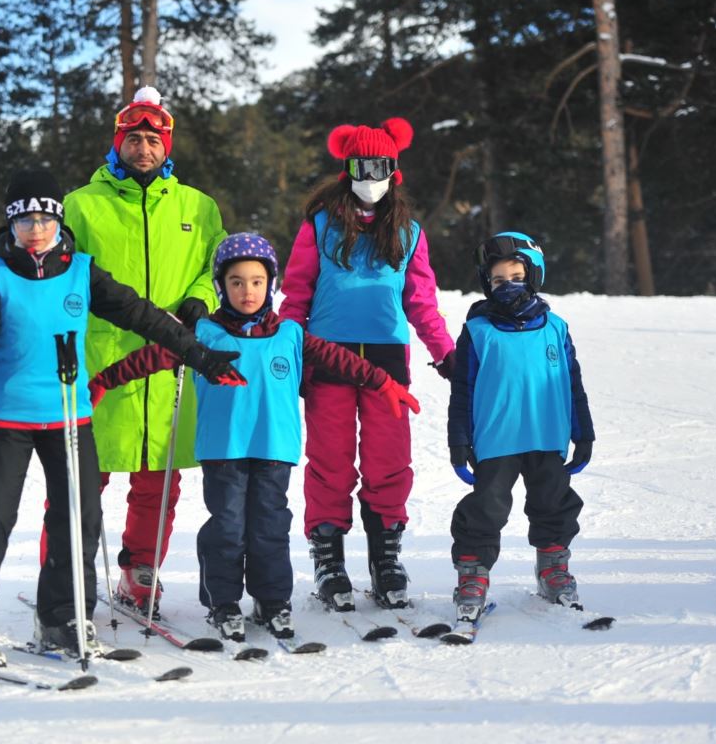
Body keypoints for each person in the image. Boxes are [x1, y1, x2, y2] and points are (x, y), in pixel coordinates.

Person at [0, 169, 242, 666]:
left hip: (69, 417)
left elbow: (143, 315)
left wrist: (199, 355)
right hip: (8, 418)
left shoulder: (82, 270)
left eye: (45, 218)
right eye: (24, 221)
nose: (36, 230)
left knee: (79, 520)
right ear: (10, 225)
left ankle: (64, 618)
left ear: (59, 221)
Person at [89, 233, 421, 641]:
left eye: (257, 282)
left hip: (274, 448)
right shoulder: (204, 336)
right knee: (227, 526)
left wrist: (382, 382)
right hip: (224, 449)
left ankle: (273, 600)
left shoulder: (290, 334)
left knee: (270, 526)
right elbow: (152, 355)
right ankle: (223, 602)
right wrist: (106, 379)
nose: (248, 291)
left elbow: (341, 360)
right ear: (220, 286)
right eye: (237, 282)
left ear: (272, 285)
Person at [280, 117, 456, 612]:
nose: (370, 175)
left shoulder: (409, 232)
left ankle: (385, 556)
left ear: (394, 170)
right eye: (362, 165)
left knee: (387, 460)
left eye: (380, 166)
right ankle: (329, 557)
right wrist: (289, 354)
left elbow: (421, 302)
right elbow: (296, 295)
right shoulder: (319, 226)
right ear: (346, 168)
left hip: (385, 363)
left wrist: (446, 353)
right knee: (330, 461)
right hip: (327, 357)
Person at [63, 85, 227, 615]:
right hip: (103, 359)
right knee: (84, 477)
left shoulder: (197, 207)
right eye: (133, 138)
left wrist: (201, 302)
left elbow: (214, 268)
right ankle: (65, 577)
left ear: (167, 146)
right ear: (118, 143)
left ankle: (140, 572)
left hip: (170, 362)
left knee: (158, 479)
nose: (143, 149)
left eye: (153, 140)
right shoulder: (80, 205)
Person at [446, 231, 595, 623]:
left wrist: (584, 433)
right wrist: (459, 440)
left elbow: (572, 383)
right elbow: (462, 390)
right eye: (497, 279)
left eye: (515, 275)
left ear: (533, 276)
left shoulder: (555, 328)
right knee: (486, 509)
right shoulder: (478, 331)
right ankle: (473, 575)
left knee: (554, 504)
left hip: (547, 437)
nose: (507, 285)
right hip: (496, 440)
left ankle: (552, 566)